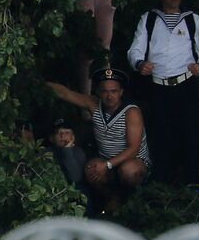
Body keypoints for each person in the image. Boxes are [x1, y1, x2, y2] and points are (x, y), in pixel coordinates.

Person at [125, 0, 199, 183]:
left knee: (189, 135)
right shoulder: (149, 19)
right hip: (158, 87)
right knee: (161, 135)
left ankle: (192, 184)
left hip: (185, 85)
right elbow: (134, 50)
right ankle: (162, 186)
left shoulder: (193, 20)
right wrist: (140, 64)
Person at [48, 68, 150, 211]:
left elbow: (133, 149)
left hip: (132, 161)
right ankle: (113, 198)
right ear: (98, 92)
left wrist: (107, 165)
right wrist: (37, 82)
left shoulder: (131, 112)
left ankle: (136, 201)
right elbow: (64, 93)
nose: (109, 96)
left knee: (129, 171)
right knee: (91, 168)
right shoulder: (93, 104)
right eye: (105, 91)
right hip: (106, 159)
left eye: (114, 91)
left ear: (121, 92)